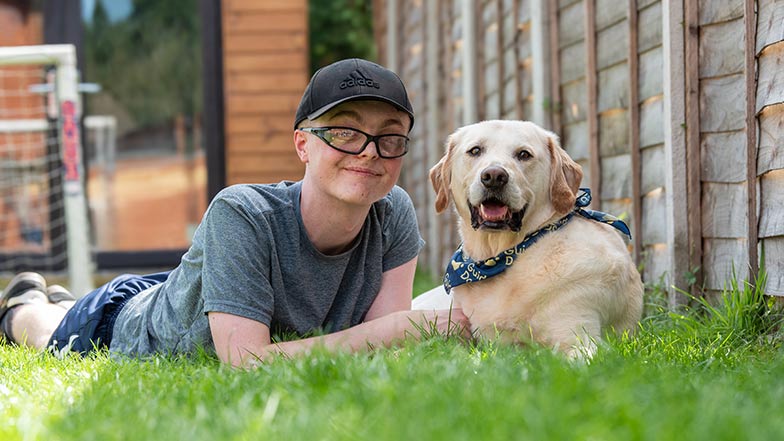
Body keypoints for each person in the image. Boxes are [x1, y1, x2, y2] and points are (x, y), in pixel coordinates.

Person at [0, 58, 470, 368]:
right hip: (130, 321)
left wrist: (394, 332)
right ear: (302, 144)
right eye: (345, 132)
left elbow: (378, 346)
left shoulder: (393, 212)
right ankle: (27, 304)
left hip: (193, 290)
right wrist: (402, 329)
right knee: (46, 336)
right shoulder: (241, 212)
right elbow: (245, 361)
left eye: (389, 137)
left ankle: (55, 300)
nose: (369, 152)